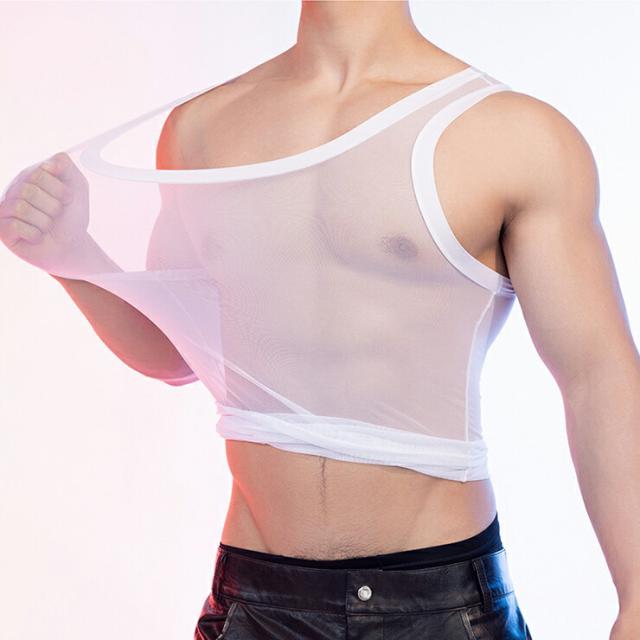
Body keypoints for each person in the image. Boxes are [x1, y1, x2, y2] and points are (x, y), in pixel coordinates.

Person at [1, 1, 639, 639]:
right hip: (255, 601)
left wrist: (637, 596)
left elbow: (598, 373)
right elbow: (176, 355)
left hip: (437, 605)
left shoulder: (514, 136)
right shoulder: (201, 129)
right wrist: (72, 256)